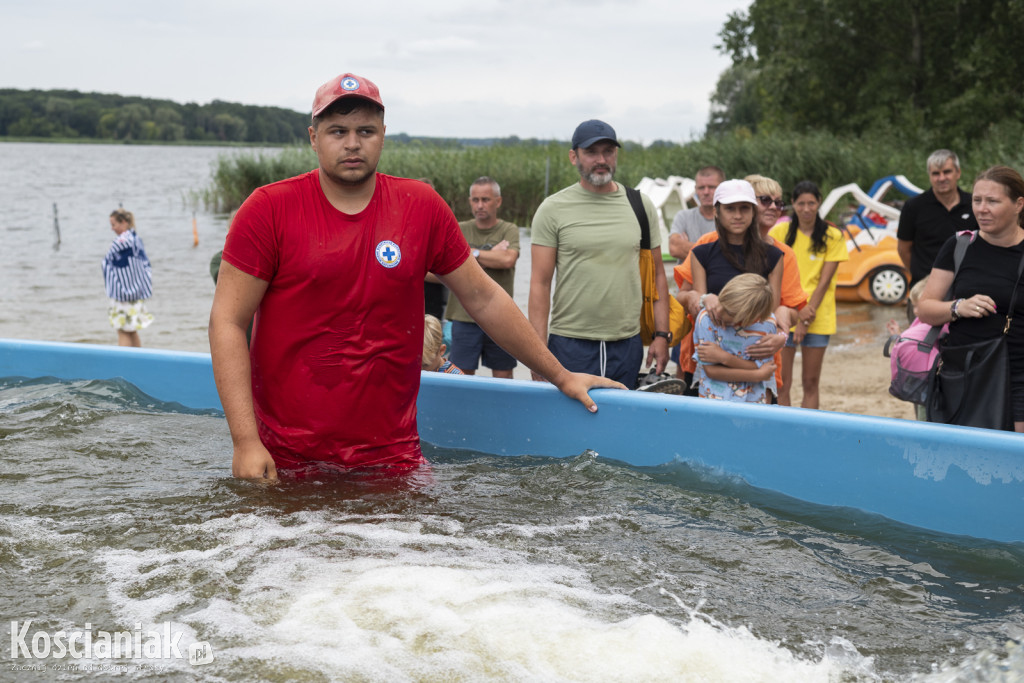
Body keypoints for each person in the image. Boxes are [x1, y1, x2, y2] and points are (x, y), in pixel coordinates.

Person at [209, 72, 623, 480]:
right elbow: (228, 321)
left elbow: (485, 299)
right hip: (286, 454)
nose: (353, 143)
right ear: (313, 137)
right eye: (337, 131)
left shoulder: (419, 206)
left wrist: (560, 375)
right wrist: (245, 442)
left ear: (384, 134)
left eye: (366, 130)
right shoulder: (268, 209)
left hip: (392, 454)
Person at [529, 119, 670, 389]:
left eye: (608, 151)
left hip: (627, 343)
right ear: (574, 156)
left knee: (620, 426)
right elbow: (539, 284)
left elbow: (658, 277)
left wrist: (661, 335)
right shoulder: (552, 209)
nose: (601, 159)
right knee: (568, 427)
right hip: (569, 342)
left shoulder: (641, 205)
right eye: (591, 152)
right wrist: (537, 352)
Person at [917, 165, 1024, 432]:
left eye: (992, 201)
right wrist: (958, 307)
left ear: (1018, 204)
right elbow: (925, 308)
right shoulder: (959, 246)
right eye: (977, 200)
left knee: (1014, 463)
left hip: (1018, 379)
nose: (981, 209)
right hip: (962, 374)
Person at [673, 179, 790, 395]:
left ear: (753, 212)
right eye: (730, 209)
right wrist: (704, 298)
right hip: (712, 356)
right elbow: (698, 303)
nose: (737, 215)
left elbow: (771, 313)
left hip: (754, 355)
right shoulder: (702, 253)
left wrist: (782, 336)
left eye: (744, 208)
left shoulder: (774, 256)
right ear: (717, 212)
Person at [768, 181, 849, 409]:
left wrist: (805, 317)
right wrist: (795, 313)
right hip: (783, 313)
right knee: (782, 383)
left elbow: (824, 282)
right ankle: (784, 430)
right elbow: (775, 277)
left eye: (811, 203)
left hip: (818, 315)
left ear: (819, 203)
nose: (806, 209)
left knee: (811, 382)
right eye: (801, 203)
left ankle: (806, 433)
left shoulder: (833, 235)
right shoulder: (780, 232)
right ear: (793, 204)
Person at [446, 176, 519, 379]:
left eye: (486, 200)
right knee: (460, 378)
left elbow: (507, 260)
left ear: (498, 201)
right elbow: (439, 268)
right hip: (463, 316)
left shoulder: (509, 229)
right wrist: (490, 254)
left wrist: (469, 254)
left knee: (504, 378)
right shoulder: (458, 228)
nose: (480, 205)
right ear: (469, 201)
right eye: (475, 200)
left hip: (501, 315)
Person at [897, 150, 978, 287]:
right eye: (936, 173)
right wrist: (920, 275)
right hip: (924, 286)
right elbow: (903, 249)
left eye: (947, 172)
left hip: (966, 284)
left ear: (958, 173)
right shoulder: (913, 207)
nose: (941, 178)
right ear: (929, 176)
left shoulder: (974, 204)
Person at [693, 273, 778, 403]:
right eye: (722, 301)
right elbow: (710, 370)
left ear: (749, 319)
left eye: (730, 312)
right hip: (714, 403)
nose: (719, 310)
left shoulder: (766, 326)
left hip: (753, 404)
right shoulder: (706, 319)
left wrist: (723, 358)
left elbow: (763, 368)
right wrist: (757, 375)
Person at [884, 278, 934, 421]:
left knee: (925, 419)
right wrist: (898, 335)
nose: (916, 311)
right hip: (920, 383)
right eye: (914, 306)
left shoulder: (936, 324)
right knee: (921, 414)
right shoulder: (920, 322)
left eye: (919, 306)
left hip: (928, 384)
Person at [103, 208, 153, 347]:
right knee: (132, 330)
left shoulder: (122, 241)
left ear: (124, 222)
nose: (112, 229)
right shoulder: (135, 239)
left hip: (123, 293)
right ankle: (138, 360)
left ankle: (123, 363)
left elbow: (110, 262)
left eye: (114, 225)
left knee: (122, 330)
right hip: (137, 292)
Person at [668, 166, 725, 261]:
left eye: (711, 187)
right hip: (687, 276)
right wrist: (717, 252)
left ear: (722, 188)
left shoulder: (729, 219)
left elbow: (732, 254)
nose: (706, 192)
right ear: (695, 189)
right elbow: (674, 248)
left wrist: (688, 246)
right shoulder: (683, 216)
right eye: (701, 188)